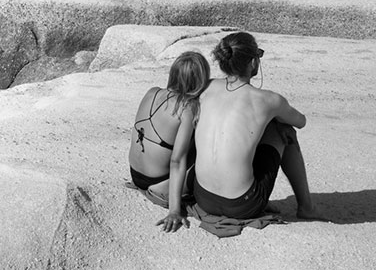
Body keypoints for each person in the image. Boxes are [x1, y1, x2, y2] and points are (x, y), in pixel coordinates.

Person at [191, 32, 324, 221]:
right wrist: (275, 117)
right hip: (242, 205)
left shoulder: (207, 87)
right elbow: (301, 121)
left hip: (203, 198)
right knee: (285, 131)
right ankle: (307, 207)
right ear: (253, 62)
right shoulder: (269, 100)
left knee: (251, 129)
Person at [128, 51, 210, 233]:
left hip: (136, 174)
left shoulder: (152, 92)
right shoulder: (187, 108)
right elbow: (177, 160)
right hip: (159, 184)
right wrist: (175, 210)